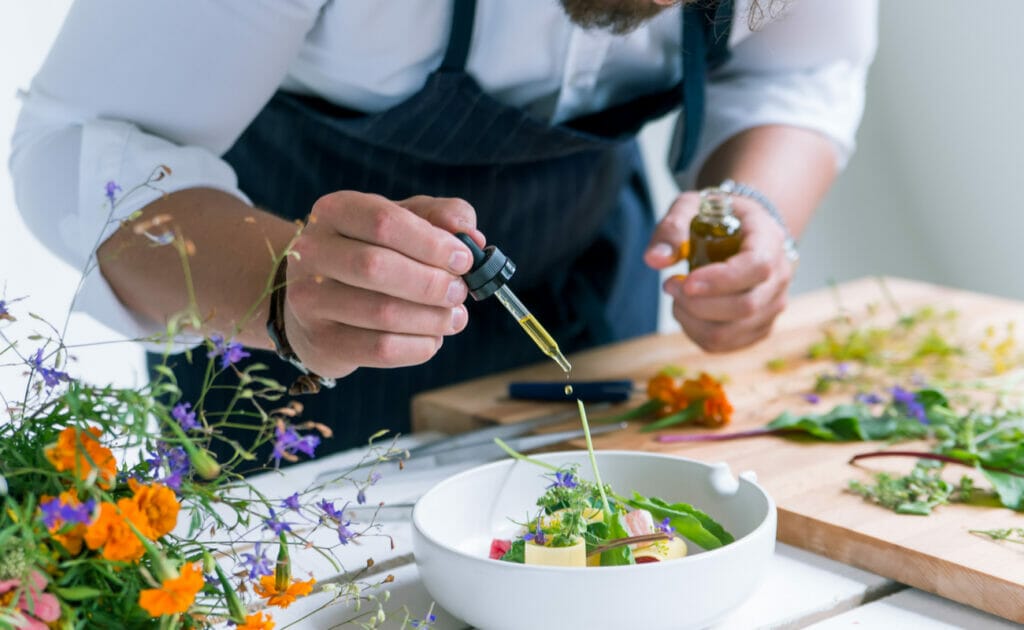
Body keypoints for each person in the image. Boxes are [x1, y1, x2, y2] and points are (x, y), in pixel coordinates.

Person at [10, 0, 877, 461]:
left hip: (588, 296)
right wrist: (284, 286)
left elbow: (799, 73)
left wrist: (743, 224)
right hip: (283, 365)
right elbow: (85, 142)